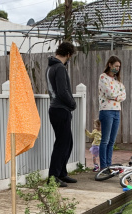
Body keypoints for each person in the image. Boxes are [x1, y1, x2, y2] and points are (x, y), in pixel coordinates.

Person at [46, 41, 78, 187]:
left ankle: (61, 173)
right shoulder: (59, 68)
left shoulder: (51, 67)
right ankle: (53, 177)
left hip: (56, 109)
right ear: (69, 54)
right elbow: (62, 91)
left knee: (67, 143)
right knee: (62, 144)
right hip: (60, 109)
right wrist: (72, 103)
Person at [97, 56, 126, 172]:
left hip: (116, 111)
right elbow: (108, 93)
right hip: (106, 110)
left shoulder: (117, 81)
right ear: (110, 65)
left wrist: (117, 96)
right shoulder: (103, 77)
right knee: (105, 139)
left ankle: (109, 165)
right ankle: (103, 166)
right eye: (116, 66)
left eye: (119, 67)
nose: (117, 69)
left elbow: (124, 95)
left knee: (112, 140)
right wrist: (117, 96)